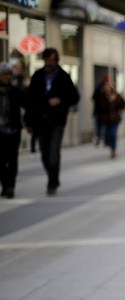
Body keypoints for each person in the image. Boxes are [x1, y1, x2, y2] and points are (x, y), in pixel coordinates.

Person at [23, 47, 80, 195]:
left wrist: (61, 100)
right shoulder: (37, 76)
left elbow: (75, 97)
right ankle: (52, 177)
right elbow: (30, 101)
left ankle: (52, 182)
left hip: (57, 121)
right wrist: (28, 121)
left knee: (54, 152)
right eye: (47, 59)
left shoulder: (63, 77)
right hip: (41, 121)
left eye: (52, 59)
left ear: (56, 60)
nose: (49, 62)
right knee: (45, 153)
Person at [0, 62, 23, 199]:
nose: (7, 77)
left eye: (9, 74)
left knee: (12, 159)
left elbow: (27, 106)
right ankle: (5, 184)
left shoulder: (16, 92)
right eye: (4, 74)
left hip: (13, 130)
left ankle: (10, 186)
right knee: (1, 160)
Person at [97, 81, 125, 159]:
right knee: (108, 134)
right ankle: (110, 145)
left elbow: (123, 104)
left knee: (113, 134)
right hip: (107, 119)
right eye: (105, 87)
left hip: (115, 118)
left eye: (108, 87)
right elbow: (100, 107)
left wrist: (120, 110)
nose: (107, 89)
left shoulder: (116, 96)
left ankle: (113, 149)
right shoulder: (102, 97)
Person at [92, 75, 108, 146]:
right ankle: (102, 139)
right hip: (101, 111)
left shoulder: (99, 88)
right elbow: (94, 98)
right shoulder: (101, 89)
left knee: (100, 126)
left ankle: (101, 138)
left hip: (100, 111)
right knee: (102, 126)